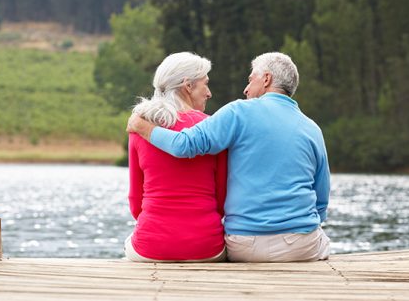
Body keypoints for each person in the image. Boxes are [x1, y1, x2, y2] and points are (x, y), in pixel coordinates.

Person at [128, 52, 331, 262]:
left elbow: (184, 144)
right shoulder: (313, 129)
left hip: (245, 245)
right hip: (300, 245)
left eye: (251, 79)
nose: (246, 89)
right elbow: (322, 198)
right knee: (322, 239)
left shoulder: (237, 113)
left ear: (267, 79)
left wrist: (142, 126)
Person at [124, 52, 228, 262]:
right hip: (206, 247)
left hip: (151, 246)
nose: (209, 93)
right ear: (188, 86)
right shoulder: (214, 129)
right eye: (205, 84)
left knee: (128, 243)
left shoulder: (140, 128)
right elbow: (222, 199)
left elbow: (136, 202)